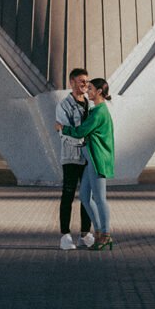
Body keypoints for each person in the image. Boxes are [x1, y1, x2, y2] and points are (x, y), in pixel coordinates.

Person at [56, 78, 115, 251]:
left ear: (98, 92)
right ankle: (98, 232)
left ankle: (105, 235)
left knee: (100, 199)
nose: (87, 91)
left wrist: (62, 128)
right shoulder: (97, 110)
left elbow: (81, 131)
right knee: (84, 196)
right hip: (91, 160)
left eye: (90, 89)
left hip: (98, 160)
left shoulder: (99, 112)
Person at [55, 68, 94, 250]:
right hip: (71, 157)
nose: (85, 84)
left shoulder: (91, 105)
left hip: (88, 158)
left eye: (86, 81)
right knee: (68, 195)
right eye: (81, 81)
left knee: (87, 197)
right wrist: (84, 138)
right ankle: (65, 236)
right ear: (71, 83)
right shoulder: (64, 106)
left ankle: (85, 234)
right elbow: (64, 133)